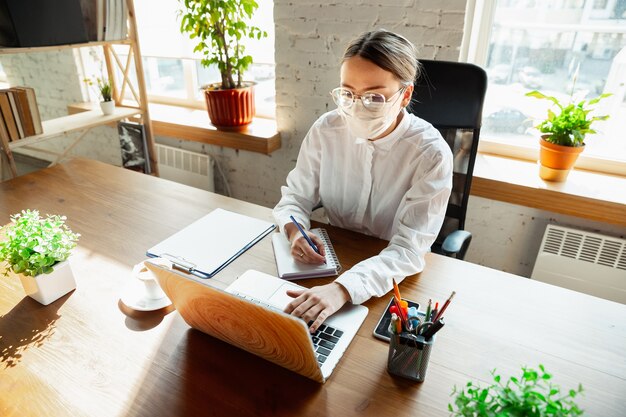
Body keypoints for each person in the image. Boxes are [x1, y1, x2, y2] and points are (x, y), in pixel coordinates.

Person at [273, 29, 453, 333]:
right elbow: (294, 198)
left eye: (374, 97)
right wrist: (295, 231)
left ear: (405, 95)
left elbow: (408, 250)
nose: (357, 107)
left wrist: (341, 290)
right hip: (328, 263)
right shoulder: (327, 129)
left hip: (392, 283)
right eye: (347, 93)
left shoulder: (430, 154)